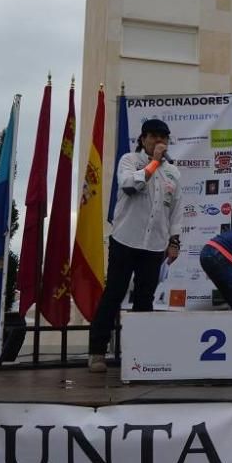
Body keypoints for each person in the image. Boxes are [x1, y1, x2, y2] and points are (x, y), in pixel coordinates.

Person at [89, 119, 182, 373]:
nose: (158, 142)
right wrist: (154, 162)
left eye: (163, 137)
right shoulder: (130, 161)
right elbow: (131, 186)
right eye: (153, 137)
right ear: (143, 140)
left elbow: (175, 211)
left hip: (154, 245)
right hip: (125, 239)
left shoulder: (174, 173)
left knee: (145, 298)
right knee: (115, 293)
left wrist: (174, 241)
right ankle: (97, 351)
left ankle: (139, 354)